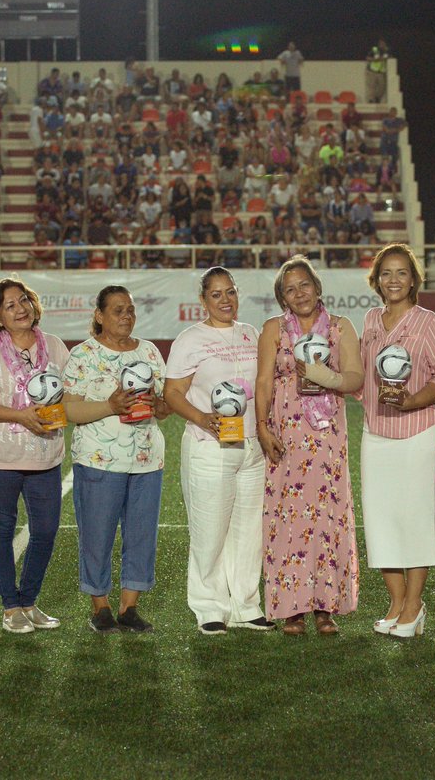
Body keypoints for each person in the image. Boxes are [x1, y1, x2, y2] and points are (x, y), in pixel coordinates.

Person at [255, 257, 363, 635]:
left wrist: (324, 375)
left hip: (327, 437)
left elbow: (353, 379)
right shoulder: (273, 329)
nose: (298, 293)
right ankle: (291, 608)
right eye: (290, 288)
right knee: (287, 518)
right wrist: (262, 428)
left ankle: (325, 606)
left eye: (304, 285)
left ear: (317, 288)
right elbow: (264, 384)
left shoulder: (340, 327)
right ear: (281, 296)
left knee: (327, 516)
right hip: (285, 435)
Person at [163, 267, 272, 635]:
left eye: (230, 292)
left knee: (248, 532)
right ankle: (209, 606)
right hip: (209, 447)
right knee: (209, 531)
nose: (225, 300)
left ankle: (245, 604)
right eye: (216, 294)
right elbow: (172, 393)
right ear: (203, 300)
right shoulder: (190, 339)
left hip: (250, 448)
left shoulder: (250, 334)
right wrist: (202, 418)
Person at [61, 286, 171, 634]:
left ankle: (130, 607)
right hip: (99, 459)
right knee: (97, 534)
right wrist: (110, 405)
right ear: (99, 316)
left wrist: (158, 404)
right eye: (117, 310)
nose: (126, 316)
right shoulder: (83, 355)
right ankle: (100, 607)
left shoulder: (150, 352)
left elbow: (166, 407)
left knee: (141, 534)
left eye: (130, 310)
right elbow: (70, 410)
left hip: (146, 459)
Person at [358, 243, 435, 638]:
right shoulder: (370, 320)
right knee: (380, 523)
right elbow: (359, 375)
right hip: (375, 433)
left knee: (414, 522)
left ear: (414, 279)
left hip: (417, 433)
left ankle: (414, 606)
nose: (393, 280)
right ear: (376, 280)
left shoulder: (428, 321)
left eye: (401, 273)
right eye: (386, 273)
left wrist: (412, 399)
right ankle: (396, 603)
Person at [0, 279, 69, 634]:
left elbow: (68, 396)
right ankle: (11, 606)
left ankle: (29, 600)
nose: (20, 308)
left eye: (23, 300)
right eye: (9, 305)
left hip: (46, 454)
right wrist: (21, 416)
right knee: (2, 529)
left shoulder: (54, 346)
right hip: (1, 456)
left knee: (45, 530)